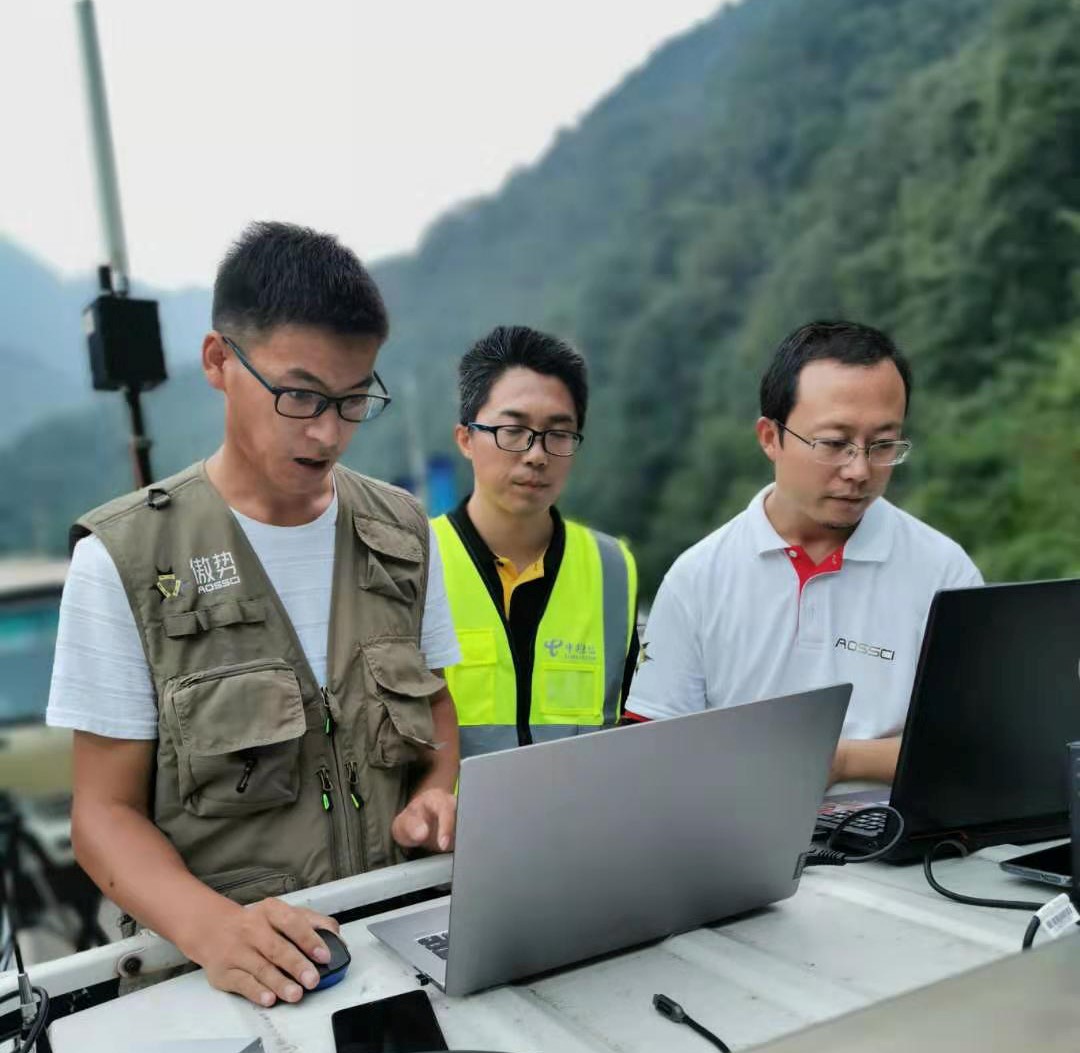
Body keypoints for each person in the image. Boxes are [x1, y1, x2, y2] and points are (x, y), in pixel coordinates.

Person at [45, 222, 461, 1007]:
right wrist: (211, 928)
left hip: (398, 948)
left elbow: (435, 706)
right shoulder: (126, 559)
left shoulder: (402, 531)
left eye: (353, 398)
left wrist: (435, 793)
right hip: (224, 981)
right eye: (299, 395)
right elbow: (102, 812)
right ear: (218, 361)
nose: (328, 431)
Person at [625, 320, 982, 783]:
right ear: (770, 437)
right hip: (740, 823)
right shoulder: (698, 578)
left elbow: (975, 746)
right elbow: (653, 751)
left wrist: (840, 761)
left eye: (882, 444)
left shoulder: (943, 572)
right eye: (833, 443)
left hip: (898, 825)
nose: (859, 470)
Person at [431, 325, 638, 757]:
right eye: (513, 430)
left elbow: (635, 728)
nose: (537, 455)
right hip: (455, 806)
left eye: (558, 433)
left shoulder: (613, 568)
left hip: (583, 803)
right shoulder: (413, 562)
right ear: (466, 439)